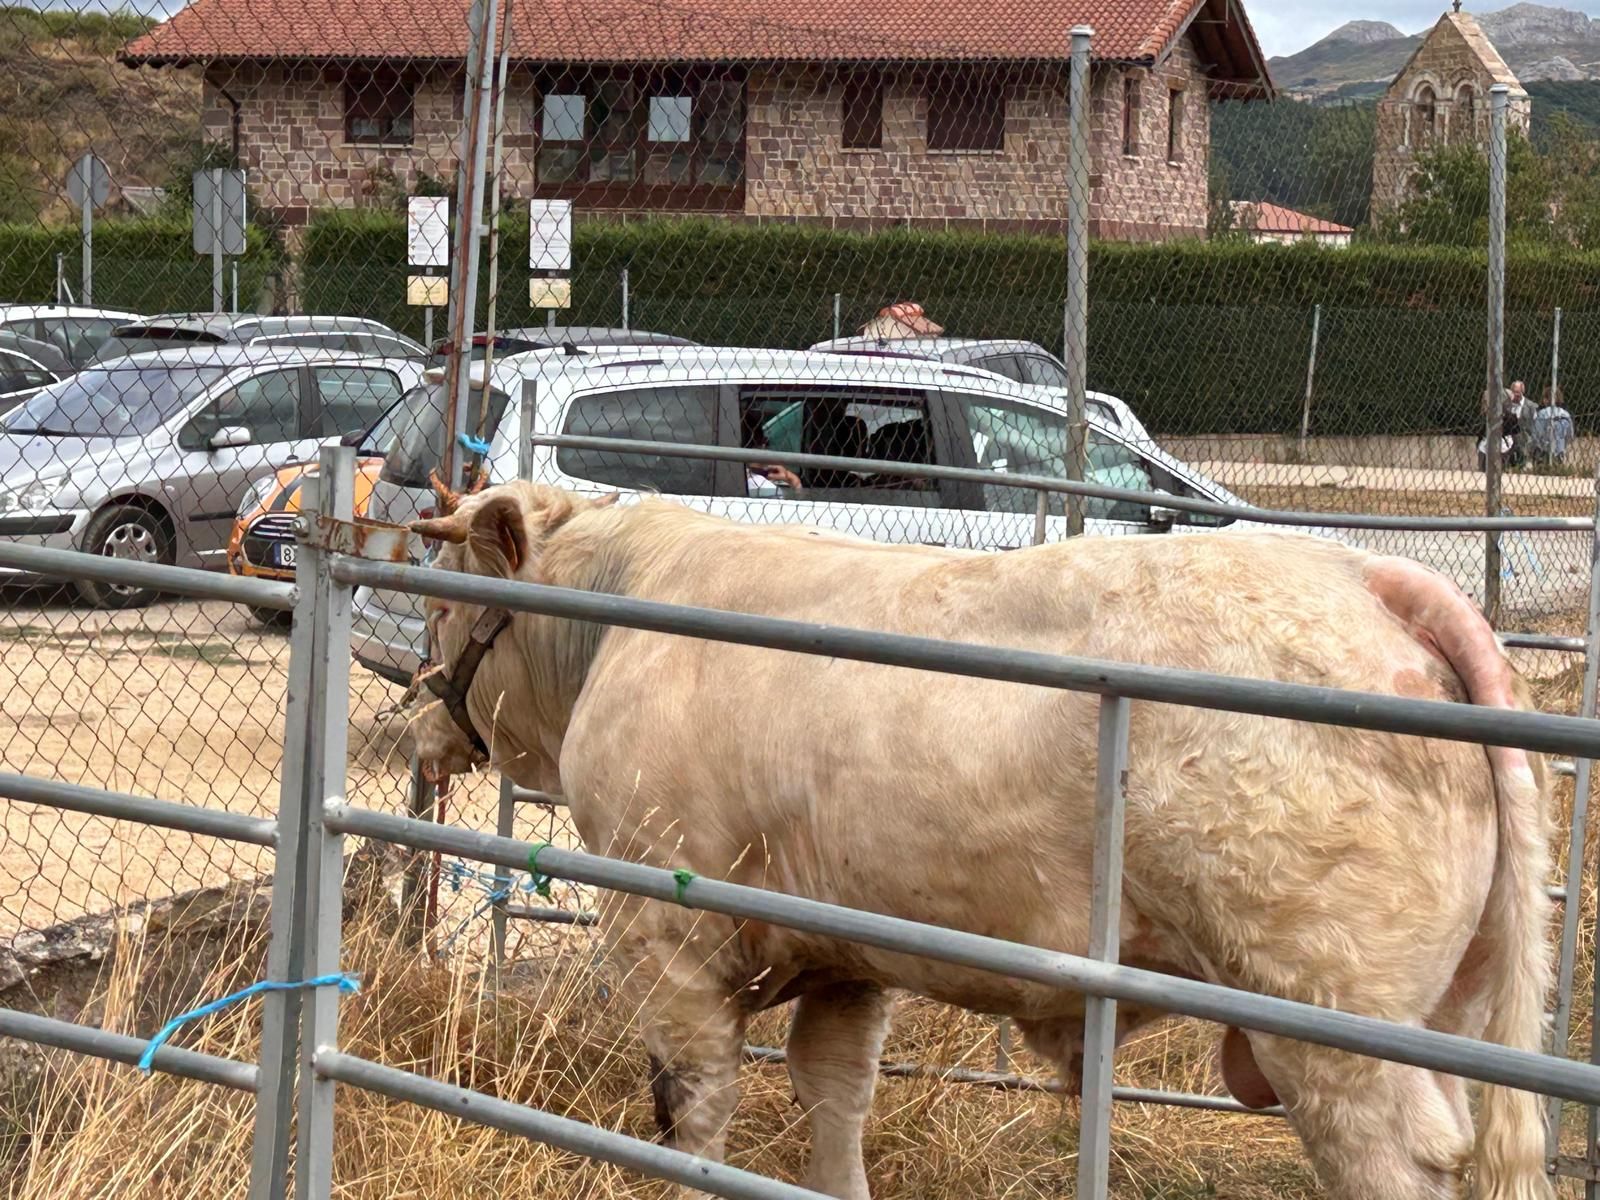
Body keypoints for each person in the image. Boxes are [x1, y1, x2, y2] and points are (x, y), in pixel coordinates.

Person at [1531, 384, 1575, 467]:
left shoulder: (1542, 413)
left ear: (1547, 400)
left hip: (1544, 449)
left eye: (1545, 398)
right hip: (1560, 450)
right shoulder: (1565, 414)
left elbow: (1537, 434)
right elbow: (1570, 434)